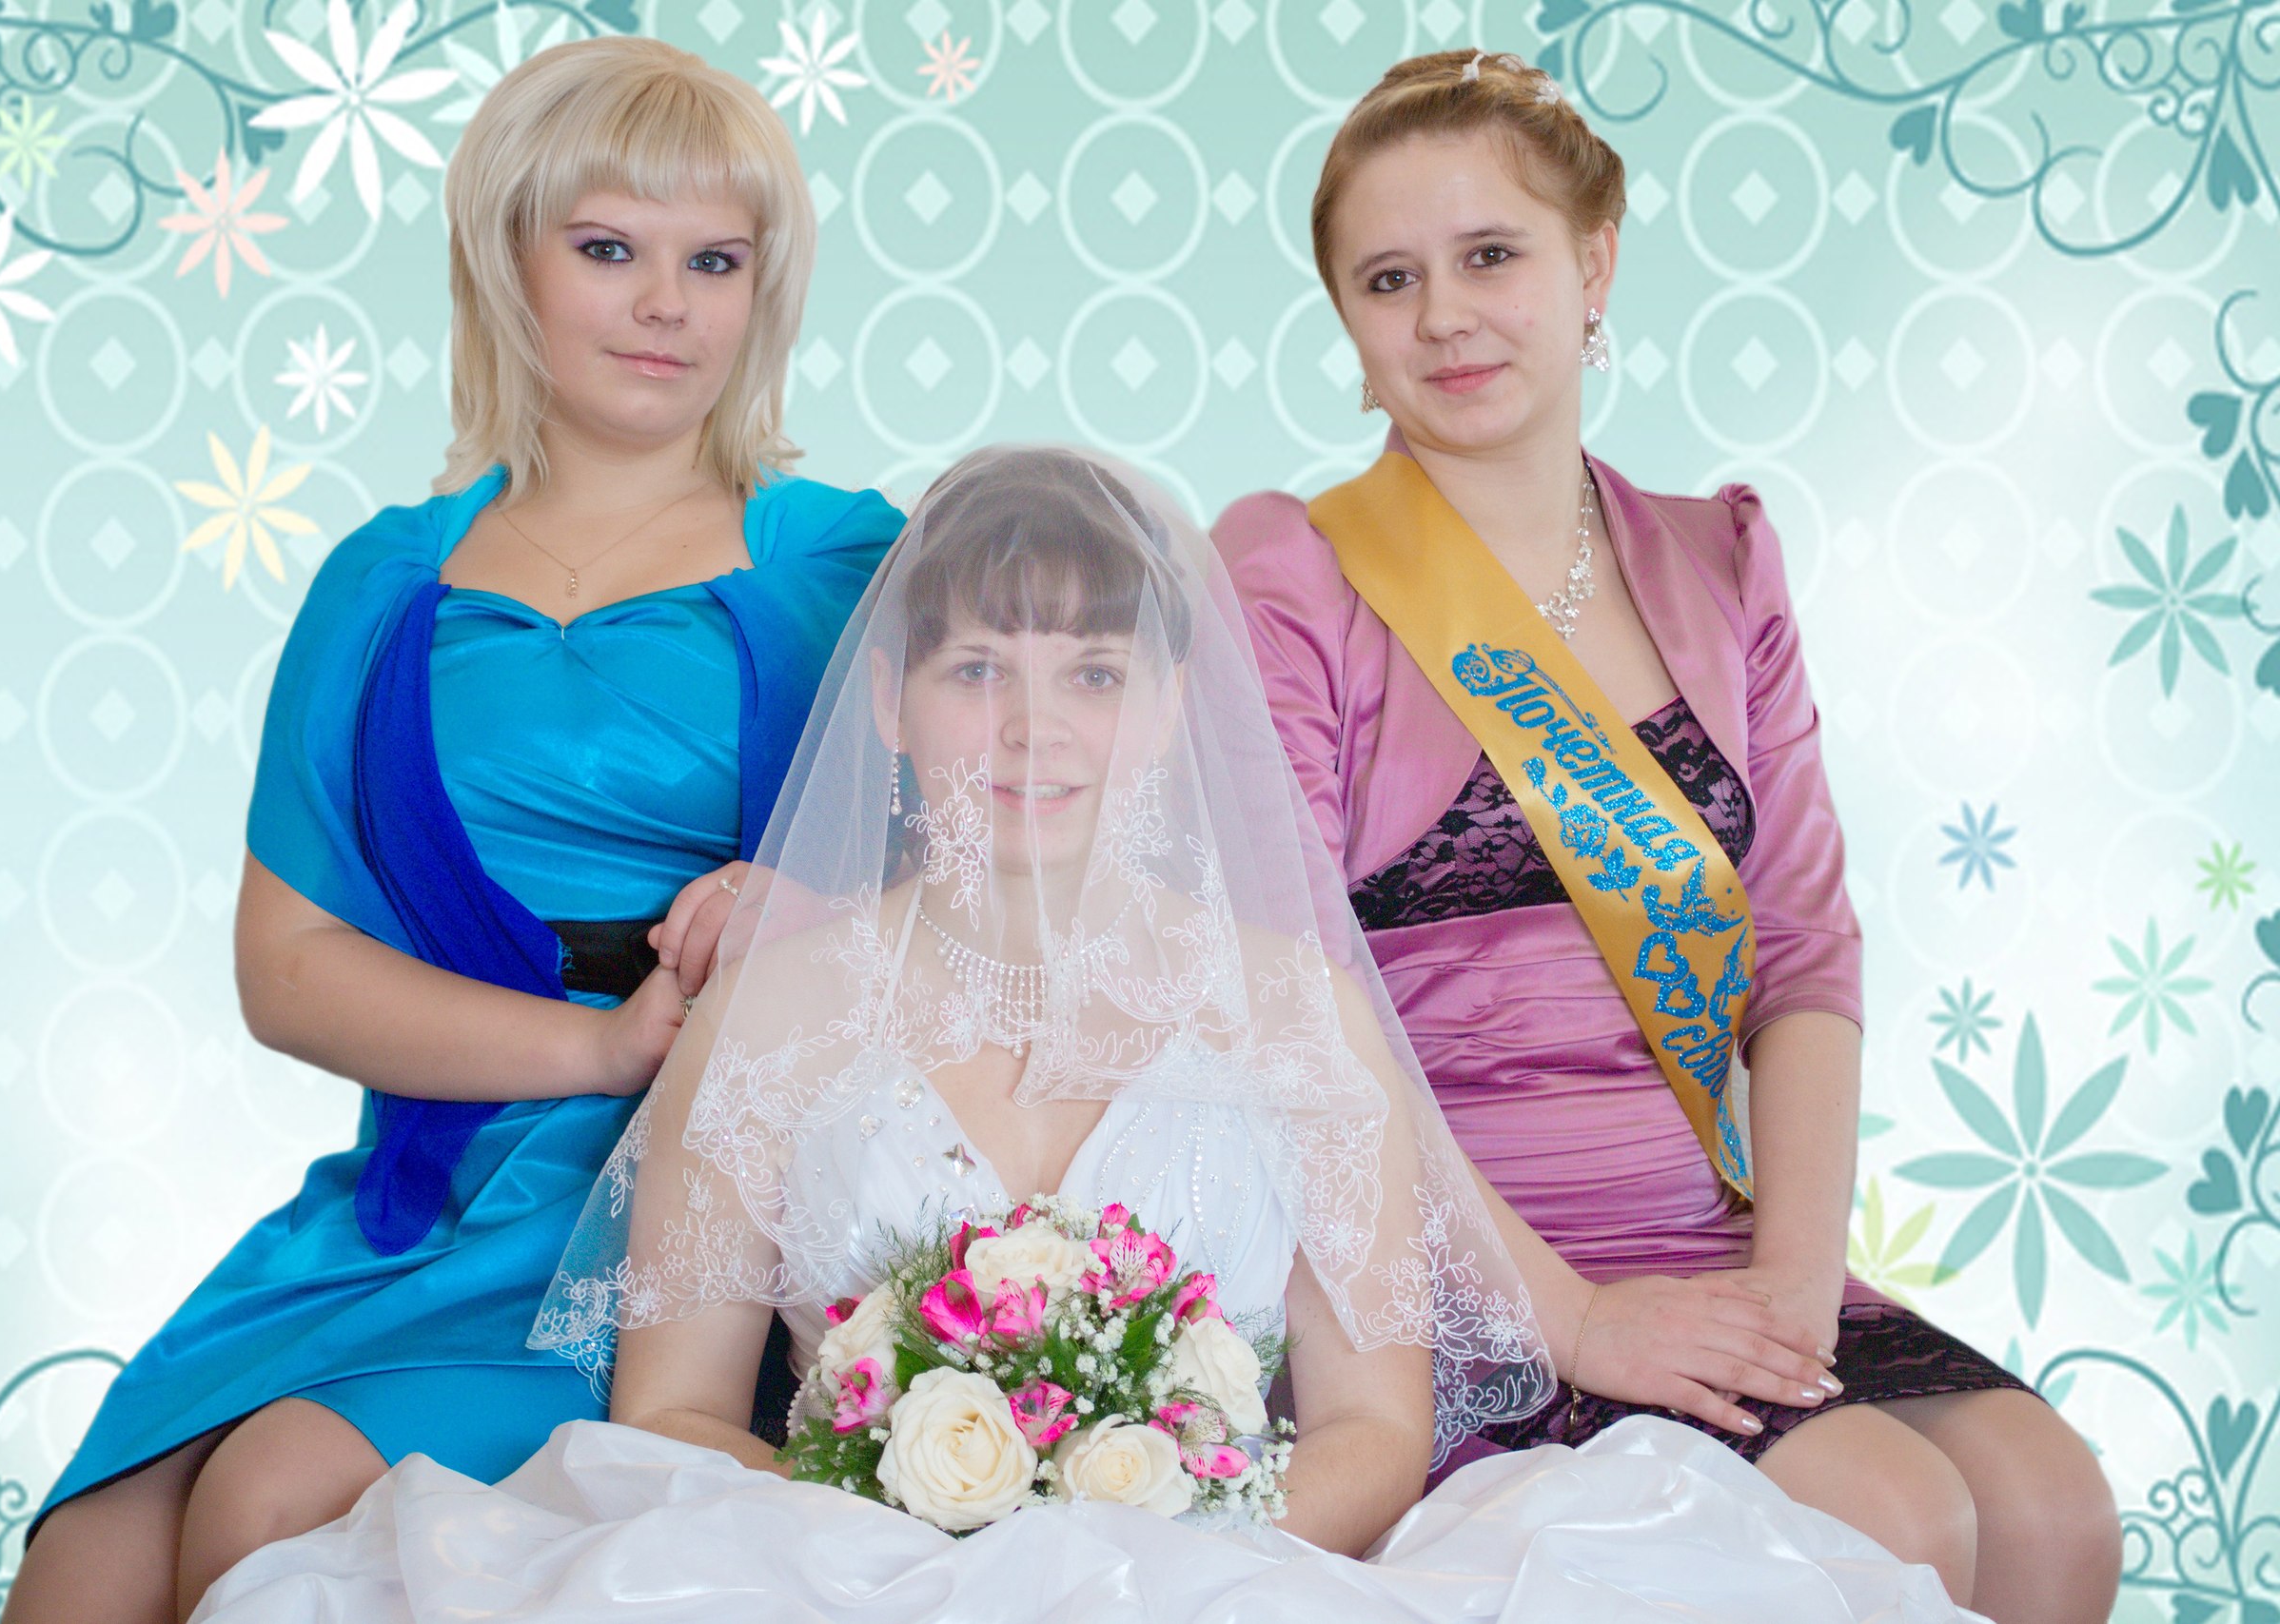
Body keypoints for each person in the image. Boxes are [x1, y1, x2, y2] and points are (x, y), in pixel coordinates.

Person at [192, 446, 1980, 1624]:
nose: (1031, 727)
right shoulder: (781, 1009)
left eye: (1094, 674)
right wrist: (914, 1535)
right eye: (977, 669)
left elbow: (1373, 1421)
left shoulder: (1288, 1009)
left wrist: (1162, 1550)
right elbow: (671, 1407)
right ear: (891, 698)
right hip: (839, 1573)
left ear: (1176, 705)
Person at [1213, 48, 2120, 1624]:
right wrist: (1573, 1322)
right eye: (1390, 279)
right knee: (1893, 1514)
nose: (1445, 316)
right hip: (1445, 1265)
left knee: (2052, 1507)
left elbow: (1804, 952)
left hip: (1708, 1232)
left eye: (1491, 255)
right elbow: (1291, 1006)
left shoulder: (1722, 561)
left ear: (1594, 269)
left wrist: (1792, 1287)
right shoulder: (1294, 574)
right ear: (1349, 324)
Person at [5, 37, 900, 1623]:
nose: (666, 304)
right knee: (87, 1567)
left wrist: (810, 913)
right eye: (610, 249)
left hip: (679, 1208)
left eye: (714, 261)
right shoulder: (383, 579)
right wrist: (595, 1046)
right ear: (505, 259)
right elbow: (289, 966)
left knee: (272, 1500)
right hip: (417, 1189)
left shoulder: (853, 564)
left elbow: (1005, 897)